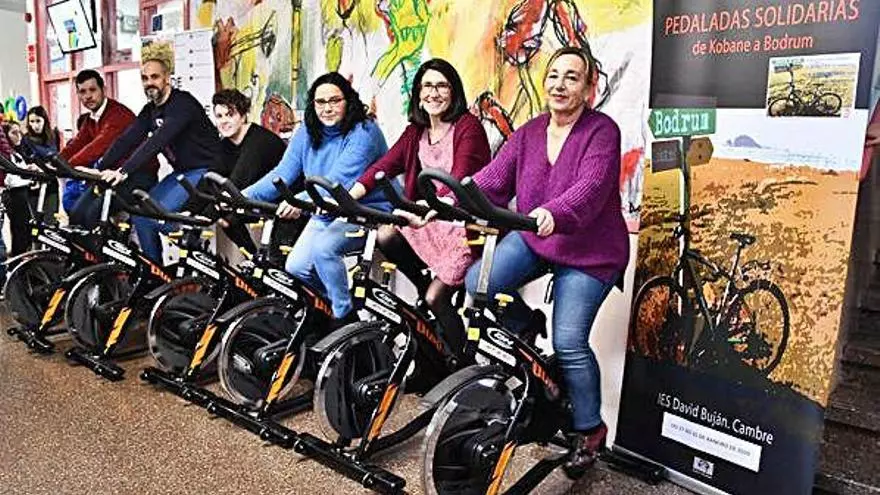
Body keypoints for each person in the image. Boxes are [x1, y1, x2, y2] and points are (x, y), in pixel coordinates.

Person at [462, 46, 628, 473]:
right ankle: (527, 332)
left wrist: (555, 211)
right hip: (538, 237)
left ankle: (589, 429)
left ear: (589, 88)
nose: (560, 85)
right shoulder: (529, 132)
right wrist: (444, 198)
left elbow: (590, 189)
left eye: (572, 77)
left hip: (590, 252)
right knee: (479, 282)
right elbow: (491, 181)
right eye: (554, 75)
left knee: (568, 341)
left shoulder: (602, 131)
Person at [351, 58, 491, 353]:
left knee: (435, 298)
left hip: (460, 223)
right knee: (386, 233)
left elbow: (460, 176)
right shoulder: (416, 130)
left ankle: (461, 363)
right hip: (429, 220)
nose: (433, 93)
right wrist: (351, 195)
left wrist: (433, 205)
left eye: (441, 86)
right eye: (427, 86)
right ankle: (422, 282)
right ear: (417, 93)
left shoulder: (468, 127)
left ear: (454, 91)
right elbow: (384, 167)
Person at [244, 72, 389, 325]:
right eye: (320, 102)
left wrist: (298, 203)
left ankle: (344, 320)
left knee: (324, 250)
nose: (327, 108)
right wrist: (243, 195)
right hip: (325, 210)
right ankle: (336, 314)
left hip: (364, 210)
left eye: (335, 101)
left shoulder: (365, 131)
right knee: (296, 268)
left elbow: (337, 181)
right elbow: (283, 173)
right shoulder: (307, 131)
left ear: (348, 101)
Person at [96, 56, 221, 262]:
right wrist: (100, 167)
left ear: (167, 79)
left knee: (159, 216)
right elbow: (127, 139)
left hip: (206, 170)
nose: (149, 83)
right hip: (182, 173)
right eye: (145, 78)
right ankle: (154, 272)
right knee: (141, 215)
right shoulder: (150, 110)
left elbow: (156, 141)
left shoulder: (183, 103)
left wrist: (124, 171)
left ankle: (196, 250)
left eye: (155, 77)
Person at [192, 89, 288, 253]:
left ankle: (256, 259)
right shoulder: (226, 145)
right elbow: (210, 179)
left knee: (226, 212)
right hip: (257, 199)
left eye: (230, 115)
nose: (224, 121)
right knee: (226, 218)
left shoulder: (259, 142)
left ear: (243, 116)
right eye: (219, 116)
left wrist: (206, 215)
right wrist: (188, 212)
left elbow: (238, 181)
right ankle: (252, 257)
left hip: (287, 205)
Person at [60, 70, 146, 213]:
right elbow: (77, 144)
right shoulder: (91, 119)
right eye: (82, 92)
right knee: (76, 211)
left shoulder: (118, 114)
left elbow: (97, 147)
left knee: (90, 213)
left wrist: (65, 166)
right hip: (109, 175)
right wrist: (53, 162)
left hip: (136, 174)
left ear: (103, 90)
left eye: (92, 90)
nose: (88, 96)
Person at [2, 120, 55, 256]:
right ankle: (19, 258)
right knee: (21, 229)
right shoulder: (6, 155)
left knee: (25, 228)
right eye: (14, 133)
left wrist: (29, 170)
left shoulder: (16, 153)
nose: (18, 136)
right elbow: (10, 177)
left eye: (19, 132)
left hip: (22, 192)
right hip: (14, 194)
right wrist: (28, 175)